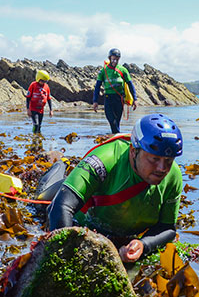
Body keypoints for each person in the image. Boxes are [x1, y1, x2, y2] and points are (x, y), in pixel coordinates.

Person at [47, 113, 183, 263]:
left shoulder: (173, 176)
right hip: (80, 217)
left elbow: (168, 228)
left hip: (119, 234)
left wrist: (143, 245)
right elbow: (61, 207)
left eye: (168, 161)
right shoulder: (105, 159)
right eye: (154, 159)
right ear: (133, 151)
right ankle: (59, 166)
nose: (162, 168)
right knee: (42, 199)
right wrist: (67, 261)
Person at [92, 48, 138, 133]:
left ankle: (115, 136)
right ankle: (117, 136)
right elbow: (97, 87)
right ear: (109, 58)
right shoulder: (103, 71)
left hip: (119, 99)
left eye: (117, 59)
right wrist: (95, 101)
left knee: (117, 121)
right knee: (112, 120)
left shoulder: (123, 70)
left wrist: (135, 99)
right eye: (113, 59)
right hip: (108, 98)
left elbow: (130, 85)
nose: (115, 61)